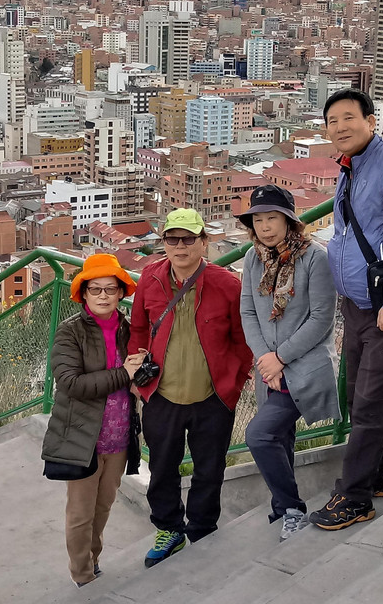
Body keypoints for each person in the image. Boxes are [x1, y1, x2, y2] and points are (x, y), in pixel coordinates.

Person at [309, 88, 383, 531]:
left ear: (371, 122)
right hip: (357, 305)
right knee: (358, 396)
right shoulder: (349, 167)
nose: (339, 127)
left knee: (372, 404)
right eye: (332, 120)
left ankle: (354, 498)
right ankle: (378, 477)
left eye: (348, 118)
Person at [128, 208, 253, 567]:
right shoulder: (149, 278)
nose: (180, 246)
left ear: (204, 242)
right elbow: (138, 329)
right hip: (161, 394)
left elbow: (243, 341)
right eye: (173, 239)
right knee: (163, 468)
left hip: (212, 398)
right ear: (163, 242)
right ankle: (168, 529)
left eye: (189, 239)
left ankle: (202, 528)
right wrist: (137, 374)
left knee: (209, 468)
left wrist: (234, 384)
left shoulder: (227, 284)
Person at [238, 184, 339, 541]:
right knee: (280, 438)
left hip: (304, 365)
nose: (265, 227)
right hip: (267, 366)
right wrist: (265, 359)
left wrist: (279, 358)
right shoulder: (253, 258)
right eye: (259, 220)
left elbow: (322, 318)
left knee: (260, 435)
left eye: (272, 218)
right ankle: (283, 508)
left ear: (290, 221)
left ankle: (292, 507)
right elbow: (247, 310)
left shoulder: (316, 258)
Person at [41, 253, 146, 588]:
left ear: (120, 293)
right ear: (83, 294)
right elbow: (71, 384)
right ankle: (83, 577)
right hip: (83, 438)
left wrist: (139, 377)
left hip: (119, 439)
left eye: (110, 289)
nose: (103, 295)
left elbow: (136, 379)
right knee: (80, 515)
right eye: (95, 289)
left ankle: (94, 560)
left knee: (102, 509)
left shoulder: (129, 331)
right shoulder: (69, 332)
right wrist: (123, 373)